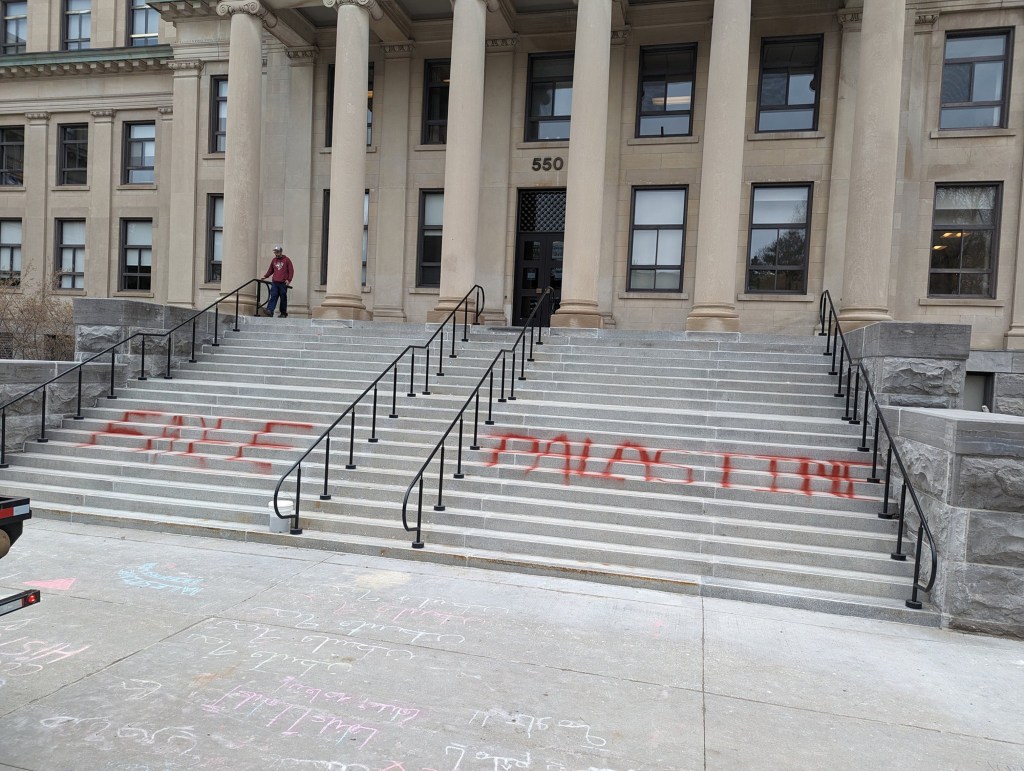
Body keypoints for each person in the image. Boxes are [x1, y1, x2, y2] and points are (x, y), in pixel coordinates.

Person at [259, 245, 294, 318]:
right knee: (273, 296)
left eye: (277, 252)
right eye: (275, 252)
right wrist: (265, 276)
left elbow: (291, 271)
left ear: (281, 252)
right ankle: (270, 311)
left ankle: (283, 313)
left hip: (283, 283)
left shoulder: (287, 260)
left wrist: (289, 280)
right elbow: (270, 270)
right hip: (275, 282)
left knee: (283, 298)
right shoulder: (274, 260)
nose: (276, 253)